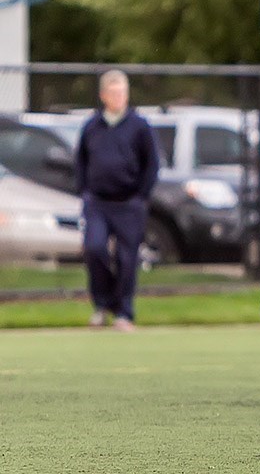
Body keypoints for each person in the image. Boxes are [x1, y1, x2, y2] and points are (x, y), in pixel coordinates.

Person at [76, 70, 160, 332]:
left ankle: (123, 311)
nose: (118, 97)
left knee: (127, 258)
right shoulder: (92, 126)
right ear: (103, 95)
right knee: (94, 248)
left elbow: (152, 163)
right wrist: (85, 191)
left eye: (122, 92)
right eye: (113, 92)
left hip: (128, 203)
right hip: (98, 202)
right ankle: (102, 305)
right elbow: (81, 161)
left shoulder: (139, 126)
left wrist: (141, 196)